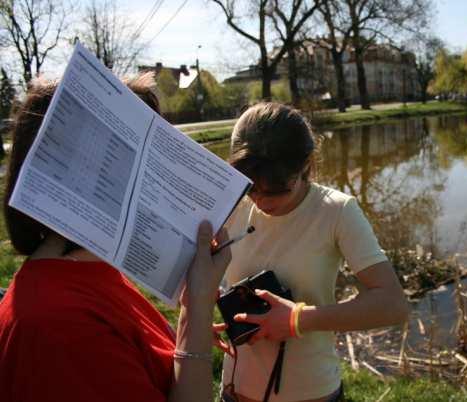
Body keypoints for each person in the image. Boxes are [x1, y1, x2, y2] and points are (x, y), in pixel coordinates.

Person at [0, 75, 231, 402]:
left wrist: (194, 309)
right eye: (150, 161)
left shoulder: (91, 272)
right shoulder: (59, 328)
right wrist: (199, 310)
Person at [220, 102, 409, 402]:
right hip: (234, 390)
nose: (260, 201)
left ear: (306, 164)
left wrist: (298, 319)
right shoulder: (230, 202)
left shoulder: (336, 211)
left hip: (311, 393)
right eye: (251, 188)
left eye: (277, 189)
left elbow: (393, 305)